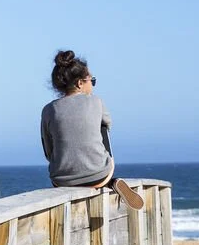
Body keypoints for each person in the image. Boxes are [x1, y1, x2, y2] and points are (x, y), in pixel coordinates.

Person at [40, 49, 144, 210]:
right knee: (102, 125)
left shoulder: (48, 110)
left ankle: (82, 175)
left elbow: (48, 152)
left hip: (61, 180)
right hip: (99, 175)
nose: (93, 85)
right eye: (92, 80)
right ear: (80, 83)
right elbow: (108, 126)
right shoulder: (96, 102)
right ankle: (112, 181)